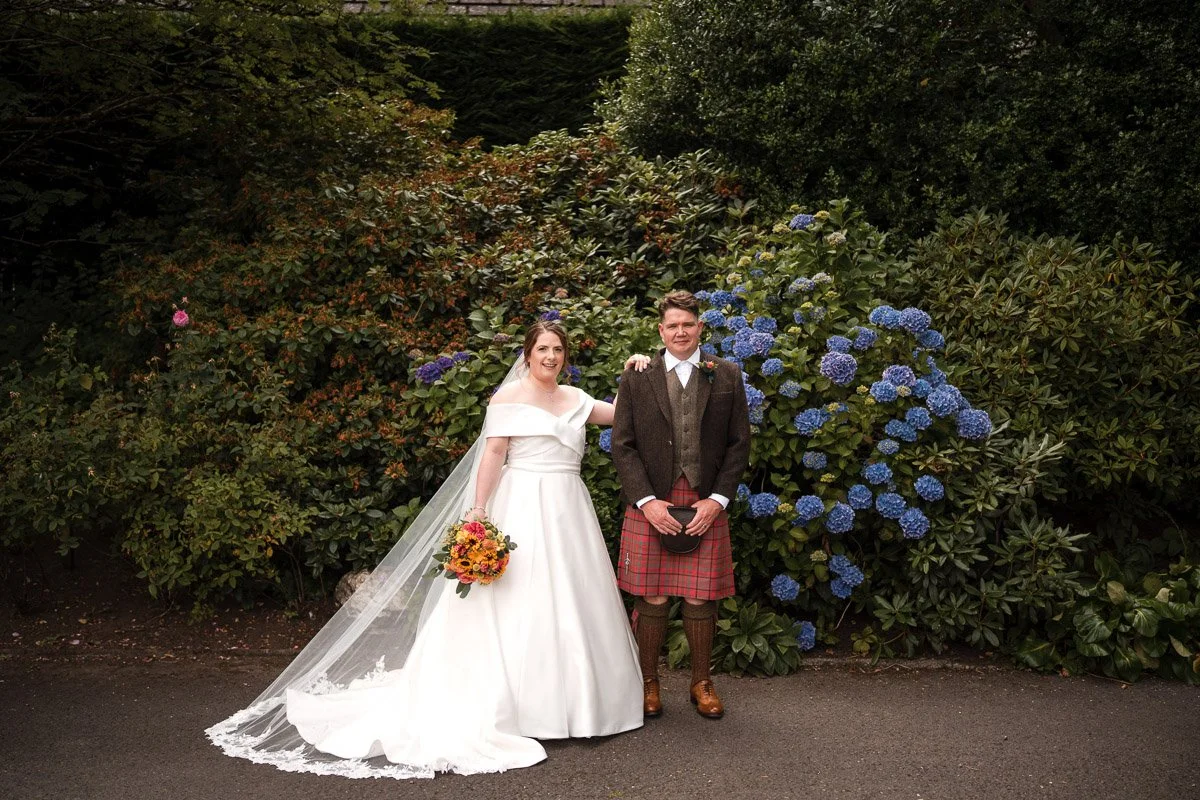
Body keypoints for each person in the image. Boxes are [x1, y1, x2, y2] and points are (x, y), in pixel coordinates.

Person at [206, 321, 649, 779]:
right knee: (520, 600)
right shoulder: (507, 399)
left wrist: (631, 372)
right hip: (522, 506)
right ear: (528, 353)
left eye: (557, 349)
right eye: (542, 349)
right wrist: (478, 510)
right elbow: (494, 454)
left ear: (565, 355)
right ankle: (521, 709)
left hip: (568, 512)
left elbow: (622, 414)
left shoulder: (576, 400)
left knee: (572, 601)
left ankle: (576, 704)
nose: (551, 357)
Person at [610, 290, 752, 720]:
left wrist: (718, 500)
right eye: (672, 325)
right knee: (651, 598)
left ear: (700, 328)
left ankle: (701, 682)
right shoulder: (637, 375)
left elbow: (738, 445)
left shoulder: (726, 375)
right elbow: (623, 445)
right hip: (652, 501)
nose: (680, 332)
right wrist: (648, 502)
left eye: (687, 324)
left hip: (705, 499)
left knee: (699, 599)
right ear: (661, 330)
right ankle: (648, 682)